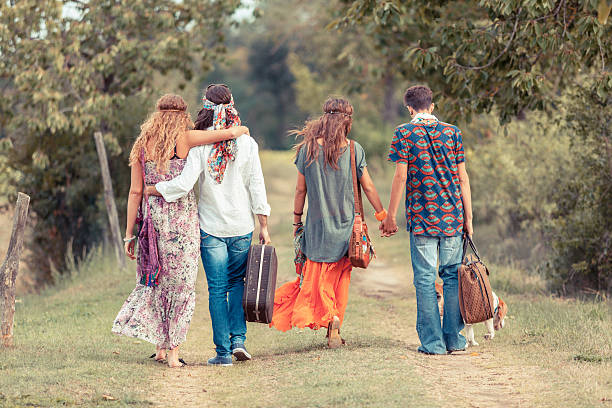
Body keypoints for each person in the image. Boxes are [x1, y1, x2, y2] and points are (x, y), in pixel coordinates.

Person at [112, 94, 249, 368]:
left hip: (151, 222)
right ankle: (173, 353)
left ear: (157, 114)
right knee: (182, 285)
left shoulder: (142, 145)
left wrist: (129, 233)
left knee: (158, 282)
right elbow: (226, 134)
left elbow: (135, 191)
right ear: (182, 114)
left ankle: (160, 347)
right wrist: (240, 129)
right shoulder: (186, 138)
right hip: (181, 222)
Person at [146, 84, 271, 366]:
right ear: (232, 106)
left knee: (217, 288)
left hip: (211, 228)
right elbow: (256, 185)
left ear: (205, 108)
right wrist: (263, 223)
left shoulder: (201, 146)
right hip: (242, 225)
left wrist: (152, 189)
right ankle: (239, 340)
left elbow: (183, 185)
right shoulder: (247, 144)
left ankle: (223, 353)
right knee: (237, 283)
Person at [270, 97, 386, 348]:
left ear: (324, 119)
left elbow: (300, 191)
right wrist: (382, 215)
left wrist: (296, 222)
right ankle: (334, 323)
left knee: (318, 277)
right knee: (340, 277)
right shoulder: (354, 149)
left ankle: (330, 317)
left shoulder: (308, 150)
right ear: (348, 121)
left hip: (317, 228)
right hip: (346, 230)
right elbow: (368, 186)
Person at [380, 85, 473, 355]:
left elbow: (400, 177)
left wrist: (390, 216)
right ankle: (454, 340)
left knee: (424, 278)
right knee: (453, 275)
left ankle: (433, 344)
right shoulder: (452, 132)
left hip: (422, 218)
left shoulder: (404, 133)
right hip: (453, 216)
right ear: (431, 106)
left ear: (409, 108)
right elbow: (463, 178)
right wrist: (469, 217)